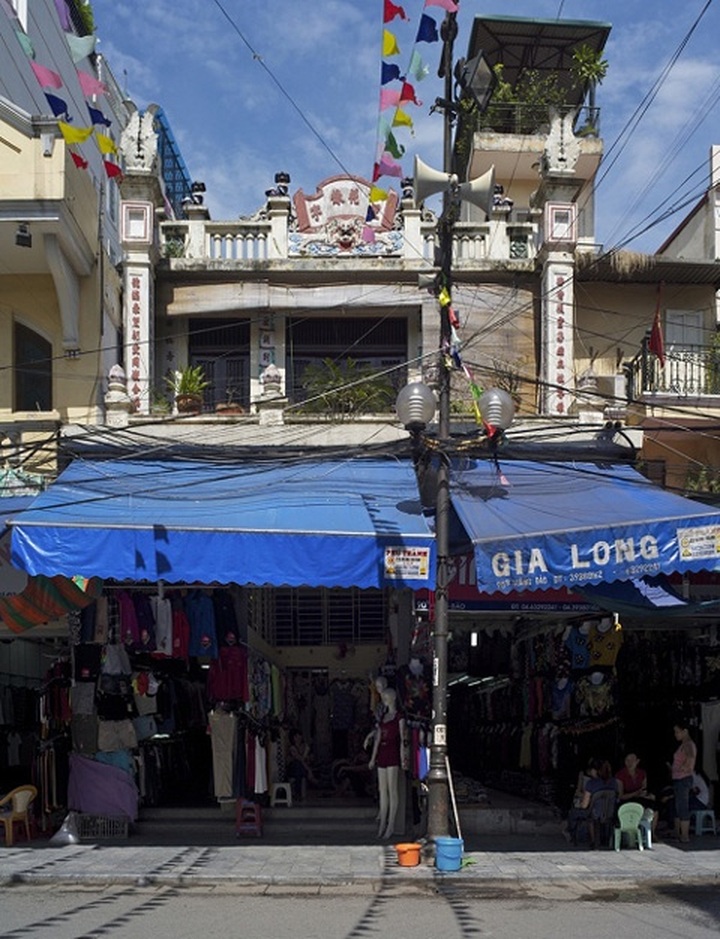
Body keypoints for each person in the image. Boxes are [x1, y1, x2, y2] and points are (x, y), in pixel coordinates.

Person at [368, 688, 407, 839]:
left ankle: (390, 825)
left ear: (393, 697)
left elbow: (402, 740)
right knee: (382, 790)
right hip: (382, 754)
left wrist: (403, 758)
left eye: (386, 696)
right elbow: (377, 738)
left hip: (393, 754)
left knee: (392, 790)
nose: (384, 699)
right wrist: (373, 758)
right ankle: (383, 823)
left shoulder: (399, 717)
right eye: (383, 696)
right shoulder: (383, 716)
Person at [615, 752, 658, 836]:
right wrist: (635, 793)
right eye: (627, 760)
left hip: (639, 799)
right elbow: (620, 796)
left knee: (654, 807)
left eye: (632, 760)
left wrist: (647, 795)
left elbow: (643, 790)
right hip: (626, 800)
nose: (629, 763)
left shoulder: (642, 773)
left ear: (637, 761)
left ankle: (652, 834)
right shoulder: (620, 775)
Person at [669, 718, 697, 844]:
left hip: (683, 779)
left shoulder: (688, 745)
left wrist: (682, 768)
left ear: (685, 731)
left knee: (682, 806)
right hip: (678, 778)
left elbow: (690, 759)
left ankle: (684, 835)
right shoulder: (683, 745)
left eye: (677, 732)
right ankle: (678, 833)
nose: (676, 735)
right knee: (678, 806)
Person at [287, 729, 317, 801]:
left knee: (300, 768)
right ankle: (312, 780)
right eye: (296, 737)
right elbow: (300, 758)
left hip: (302, 768)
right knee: (298, 765)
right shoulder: (292, 748)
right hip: (293, 769)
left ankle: (299, 793)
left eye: (299, 736)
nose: (298, 738)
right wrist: (309, 770)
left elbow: (308, 758)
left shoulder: (305, 747)